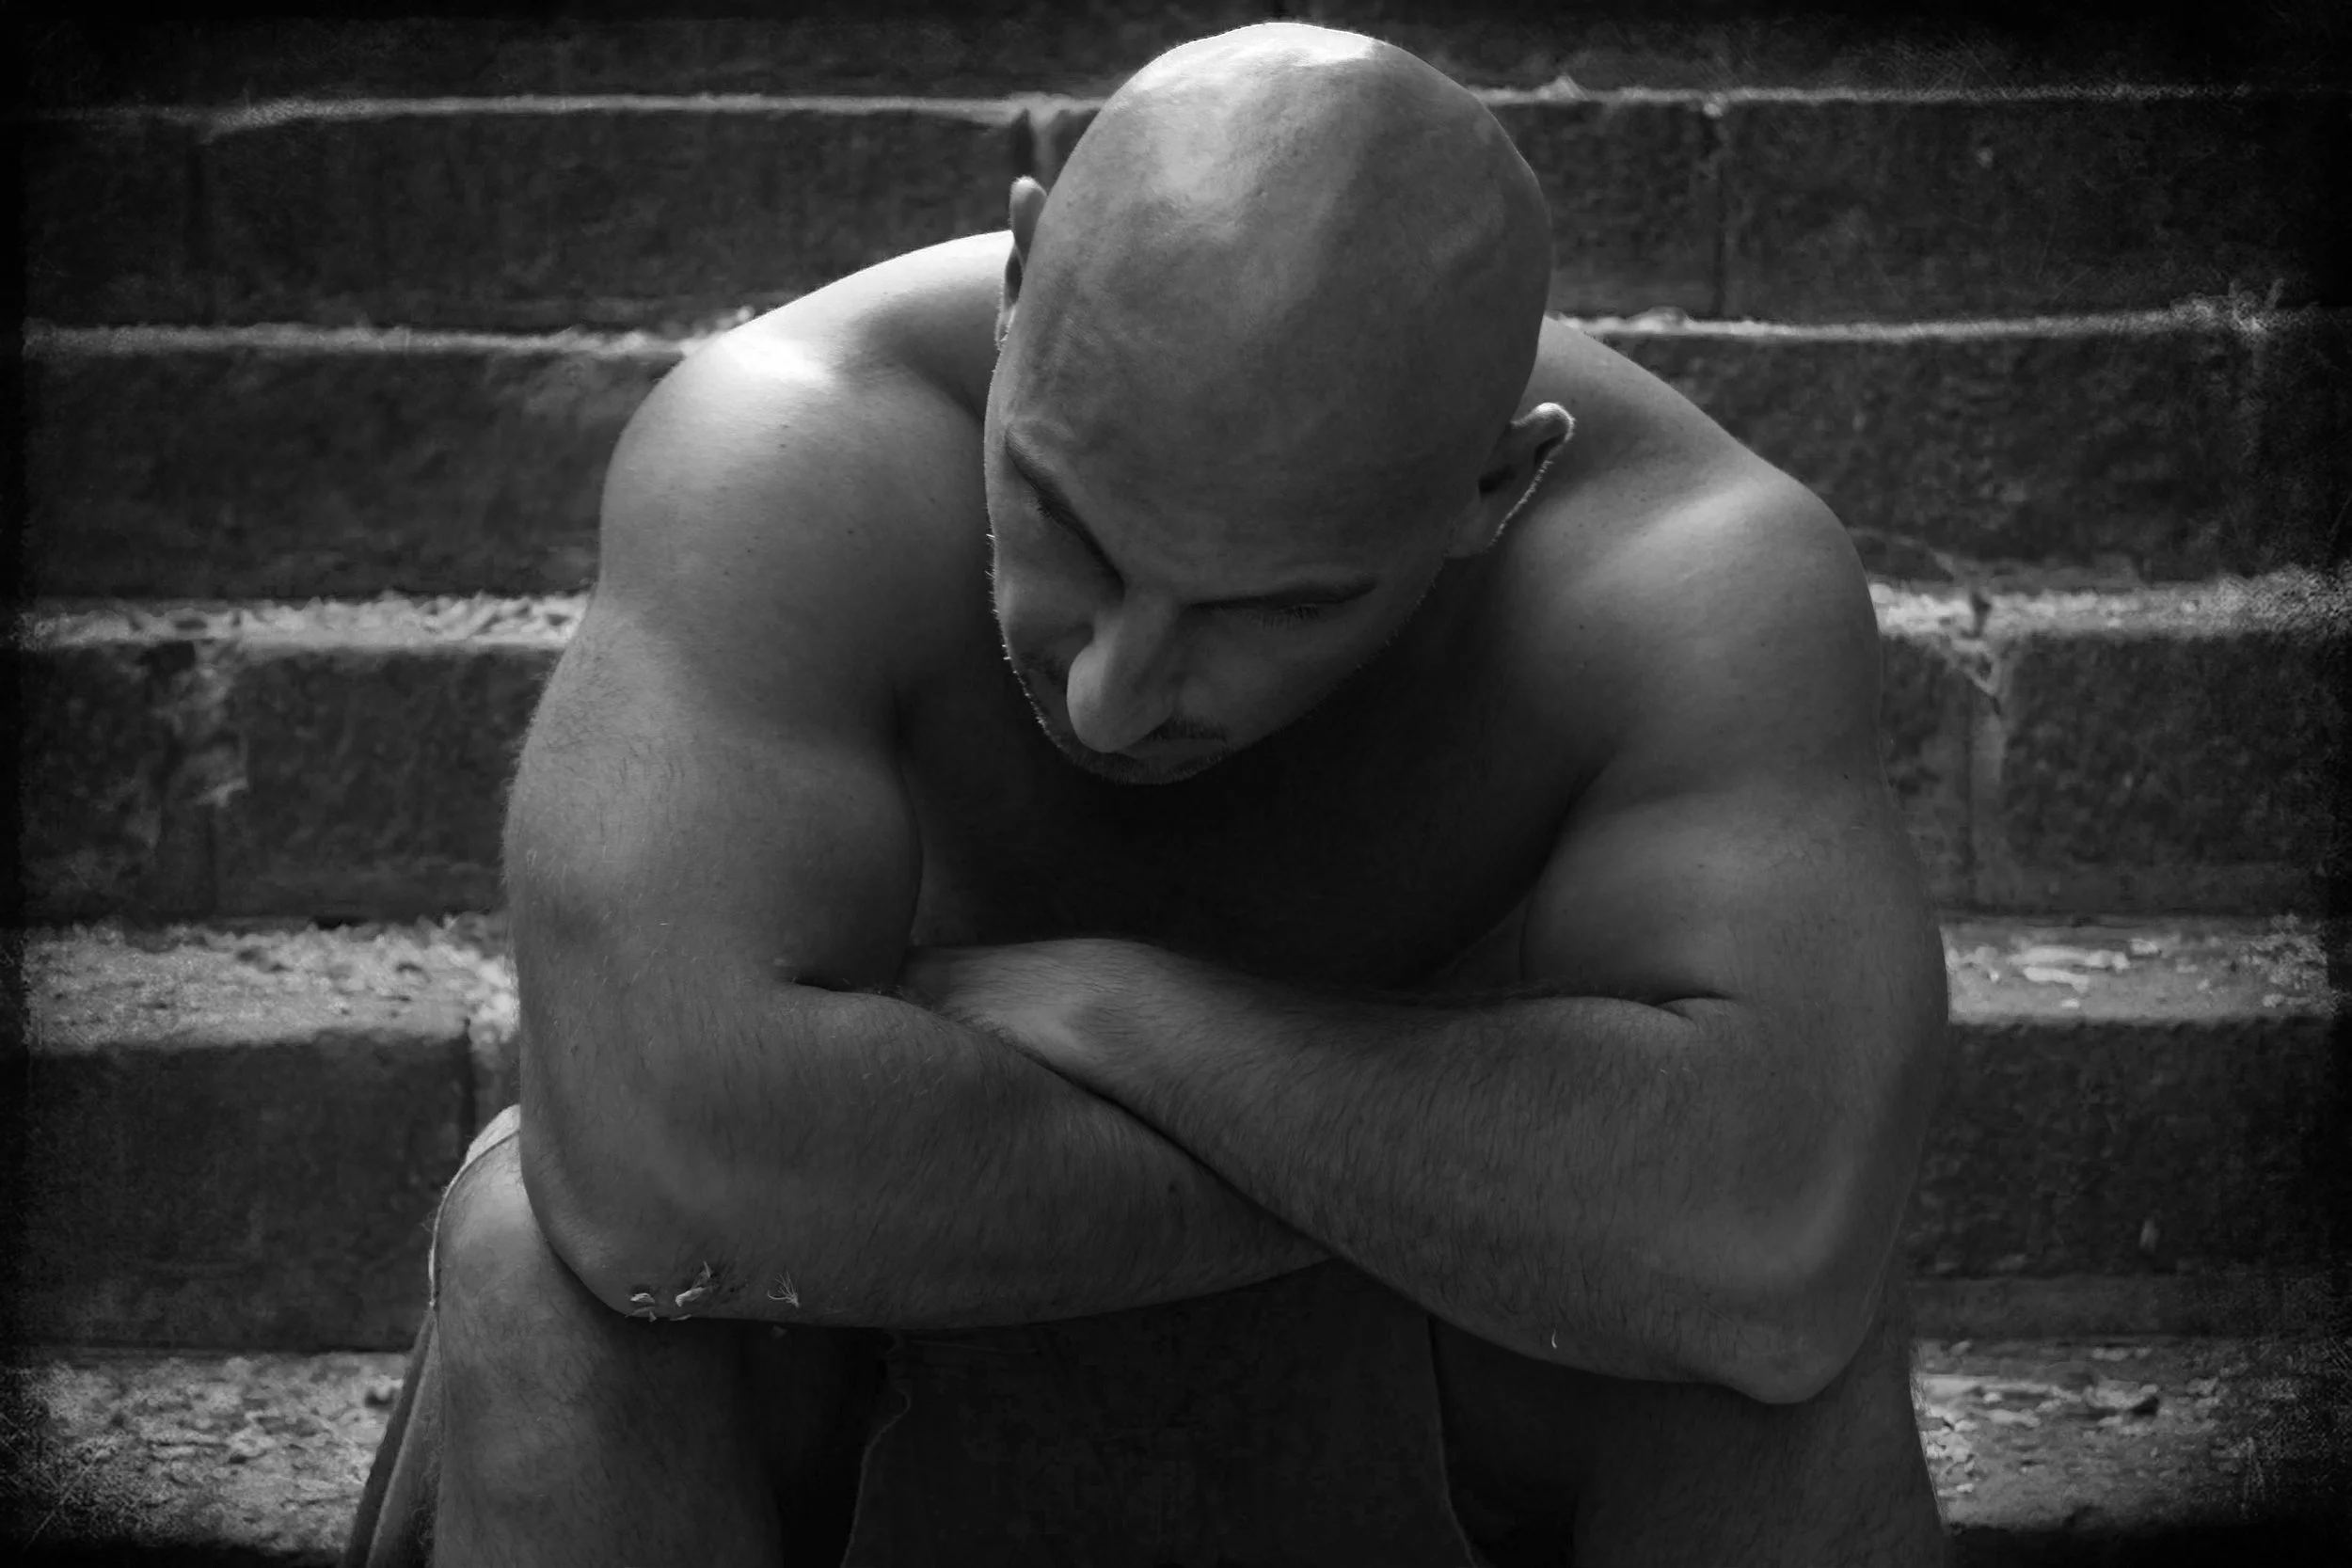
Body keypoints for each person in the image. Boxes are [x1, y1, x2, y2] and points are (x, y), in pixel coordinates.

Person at [346, 21, 1948, 1567]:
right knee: (539, 1263)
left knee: (1781, 1374)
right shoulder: (789, 443)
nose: (1110, 688)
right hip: (868, 1349)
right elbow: (660, 1166)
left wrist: (1129, 1014)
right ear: (1023, 275)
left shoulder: (1688, 577)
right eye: (1066, 523)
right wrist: (1539, 1181)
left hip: (1430, 1393)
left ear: (1495, 487)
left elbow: (1776, 1242)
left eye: (1274, 607)